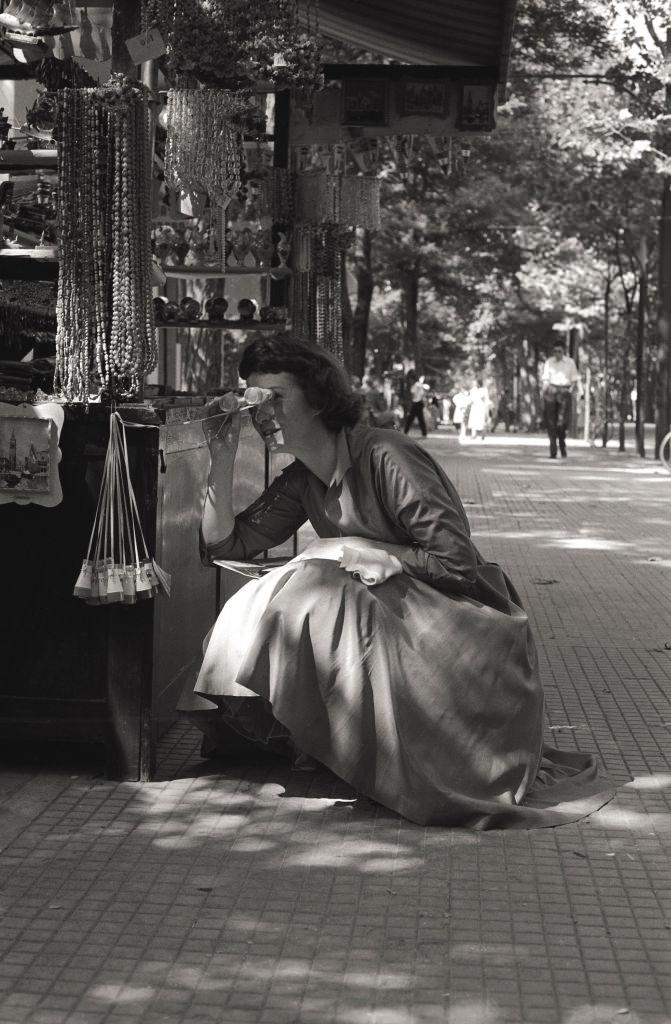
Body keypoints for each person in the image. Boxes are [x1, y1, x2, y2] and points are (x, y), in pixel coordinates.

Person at [181, 334, 612, 829]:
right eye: (255, 400)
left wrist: (371, 552)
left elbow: (458, 564)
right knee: (288, 584)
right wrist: (221, 455)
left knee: (316, 586)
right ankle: (329, 741)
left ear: (318, 398)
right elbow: (225, 546)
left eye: (276, 397)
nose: (263, 414)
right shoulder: (303, 478)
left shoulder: (387, 454)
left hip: (460, 622)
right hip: (393, 620)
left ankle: (369, 749)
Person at [541, 342, 583, 458]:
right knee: (551, 422)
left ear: (563, 352)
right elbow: (545, 380)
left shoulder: (570, 363)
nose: (557, 354)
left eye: (559, 351)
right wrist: (544, 394)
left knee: (562, 422)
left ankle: (562, 445)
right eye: (555, 351)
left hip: (564, 392)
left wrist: (572, 391)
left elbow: (574, 379)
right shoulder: (549, 362)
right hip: (551, 391)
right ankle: (553, 449)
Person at [402, 372, 427, 436]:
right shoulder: (419, 385)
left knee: (411, 418)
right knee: (420, 418)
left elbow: (413, 394)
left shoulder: (416, 385)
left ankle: (405, 432)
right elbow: (422, 393)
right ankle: (424, 433)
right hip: (419, 403)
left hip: (416, 403)